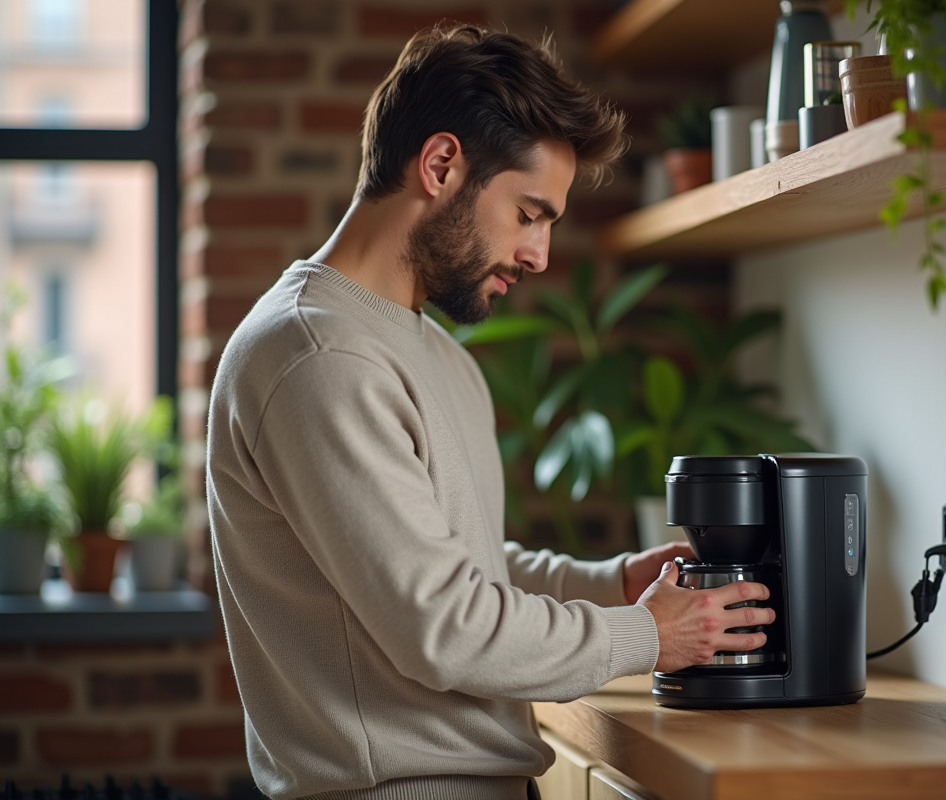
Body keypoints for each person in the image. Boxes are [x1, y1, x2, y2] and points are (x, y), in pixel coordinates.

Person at [206, 24, 773, 800]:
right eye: (530, 214)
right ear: (441, 165)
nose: (540, 255)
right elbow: (445, 627)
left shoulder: (438, 358)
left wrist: (610, 584)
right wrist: (651, 633)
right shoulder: (316, 356)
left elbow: (458, 569)